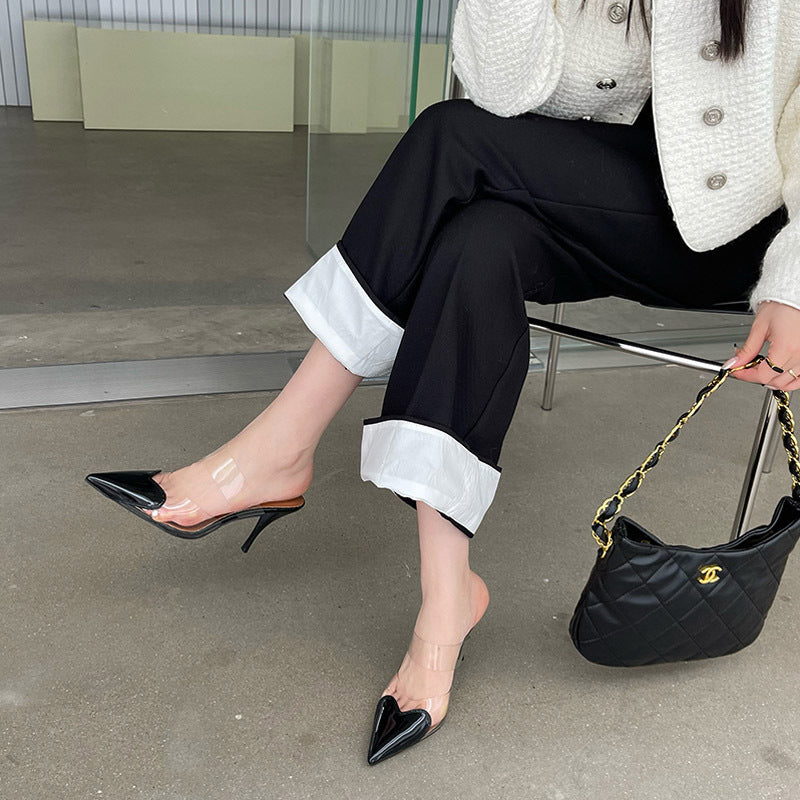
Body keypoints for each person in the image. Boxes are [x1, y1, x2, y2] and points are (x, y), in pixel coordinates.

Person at [86, 0, 800, 765]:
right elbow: (508, 92)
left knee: (449, 136)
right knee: (475, 243)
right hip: (598, 188)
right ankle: (446, 594)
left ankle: (280, 448)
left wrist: (794, 286)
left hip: (738, 222)